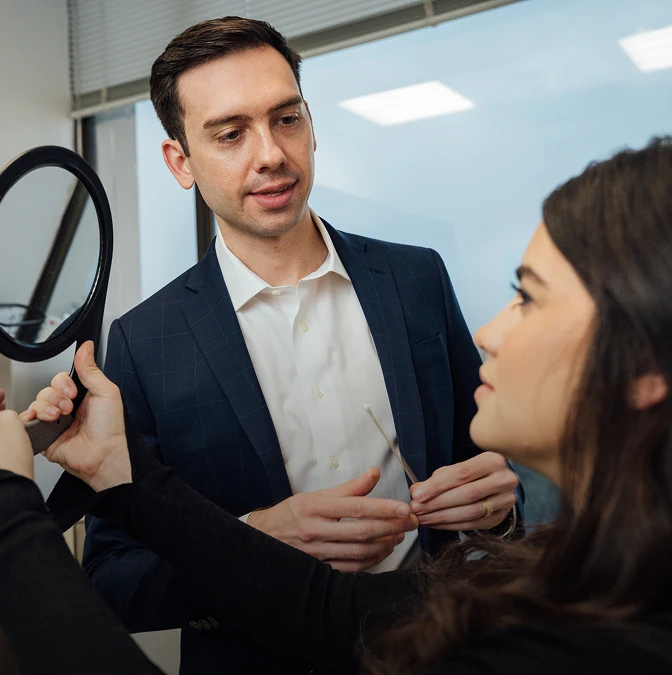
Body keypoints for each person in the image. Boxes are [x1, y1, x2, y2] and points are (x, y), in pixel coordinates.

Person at [4, 136, 672, 675]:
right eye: (230, 133)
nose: (490, 332)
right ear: (180, 159)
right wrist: (131, 475)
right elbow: (333, 609)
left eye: (527, 296)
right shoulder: (585, 577)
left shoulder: (577, 642)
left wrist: (10, 511)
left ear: (643, 362)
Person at [50, 16, 519, 675]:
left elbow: (491, 479)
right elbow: (112, 579)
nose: (270, 152)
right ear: (180, 161)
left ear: (312, 124)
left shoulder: (417, 280)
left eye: (286, 119)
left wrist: (498, 512)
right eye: (231, 133)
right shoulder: (140, 343)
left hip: (443, 652)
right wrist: (250, 539)